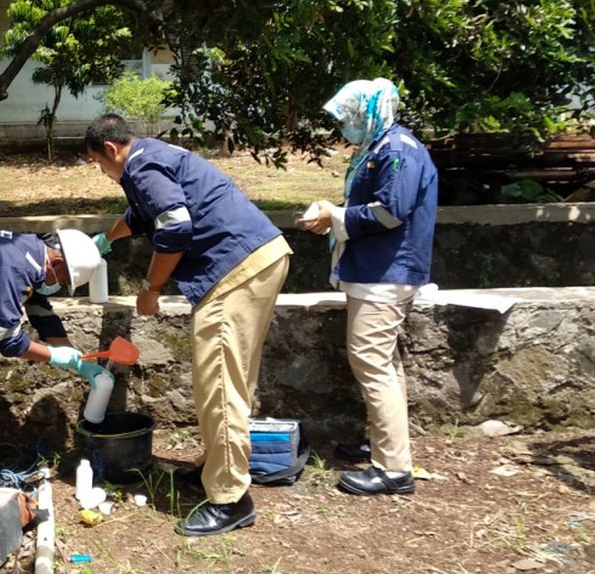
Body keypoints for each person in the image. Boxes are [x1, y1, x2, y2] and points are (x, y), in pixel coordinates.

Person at [85, 114, 291, 537]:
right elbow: (138, 216)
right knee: (232, 377)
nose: (102, 174)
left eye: (98, 164)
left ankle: (231, 497)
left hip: (234, 268)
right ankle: (215, 467)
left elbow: (176, 226)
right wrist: (105, 240)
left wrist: (152, 287)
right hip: (259, 257)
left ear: (110, 149)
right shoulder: (152, 157)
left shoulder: (139, 166)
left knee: (218, 381)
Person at [300, 78, 438, 497]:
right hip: (377, 271)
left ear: (371, 111)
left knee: (371, 363)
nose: (345, 124)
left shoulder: (397, 150)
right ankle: (386, 447)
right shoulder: (381, 147)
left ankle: (393, 469)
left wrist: (334, 217)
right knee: (384, 364)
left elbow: (389, 212)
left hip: (385, 274)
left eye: (350, 115)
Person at [0, 227, 109, 479]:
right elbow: (5, 339)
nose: (59, 287)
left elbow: (42, 312)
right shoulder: (14, 268)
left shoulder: (31, 252)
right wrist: (54, 355)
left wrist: (78, 361)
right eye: (63, 281)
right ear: (56, 263)